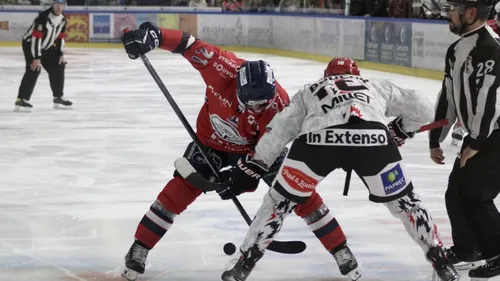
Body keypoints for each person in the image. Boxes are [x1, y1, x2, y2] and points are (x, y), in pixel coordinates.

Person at [119, 23, 360, 281]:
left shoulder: (280, 106)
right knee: (179, 190)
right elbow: (187, 44)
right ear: (238, 87)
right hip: (210, 142)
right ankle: (139, 248)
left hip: (255, 149)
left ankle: (340, 249)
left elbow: (266, 152)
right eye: (251, 103)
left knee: (297, 189)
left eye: (262, 104)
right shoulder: (220, 67)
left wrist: (243, 178)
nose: (257, 109)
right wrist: (153, 36)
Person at [220, 57, 459, 281]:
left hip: (317, 142)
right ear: (357, 74)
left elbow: (280, 128)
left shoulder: (310, 89)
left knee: (278, 202)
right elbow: (424, 109)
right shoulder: (374, 85)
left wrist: (257, 162)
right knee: (407, 203)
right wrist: (400, 130)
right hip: (372, 139)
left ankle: (245, 263)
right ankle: (440, 260)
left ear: (326, 75)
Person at [430, 0, 500, 277]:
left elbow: (490, 102)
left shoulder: (491, 48)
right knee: (456, 194)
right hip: (482, 136)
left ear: (471, 13)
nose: (449, 14)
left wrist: (475, 143)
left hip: (493, 135)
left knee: (476, 197)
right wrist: (436, 138)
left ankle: (496, 252)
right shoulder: (456, 49)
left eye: (454, 9)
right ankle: (468, 249)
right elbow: (448, 96)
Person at [15, 0, 73, 113]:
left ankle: (58, 98)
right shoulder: (44, 17)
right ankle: (21, 100)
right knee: (34, 68)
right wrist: (37, 58)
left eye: (62, 5)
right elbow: (36, 39)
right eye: (57, 4)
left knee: (59, 65)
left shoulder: (62, 19)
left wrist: (60, 54)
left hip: (46, 46)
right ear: (53, 4)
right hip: (30, 44)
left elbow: (60, 38)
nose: (59, 8)